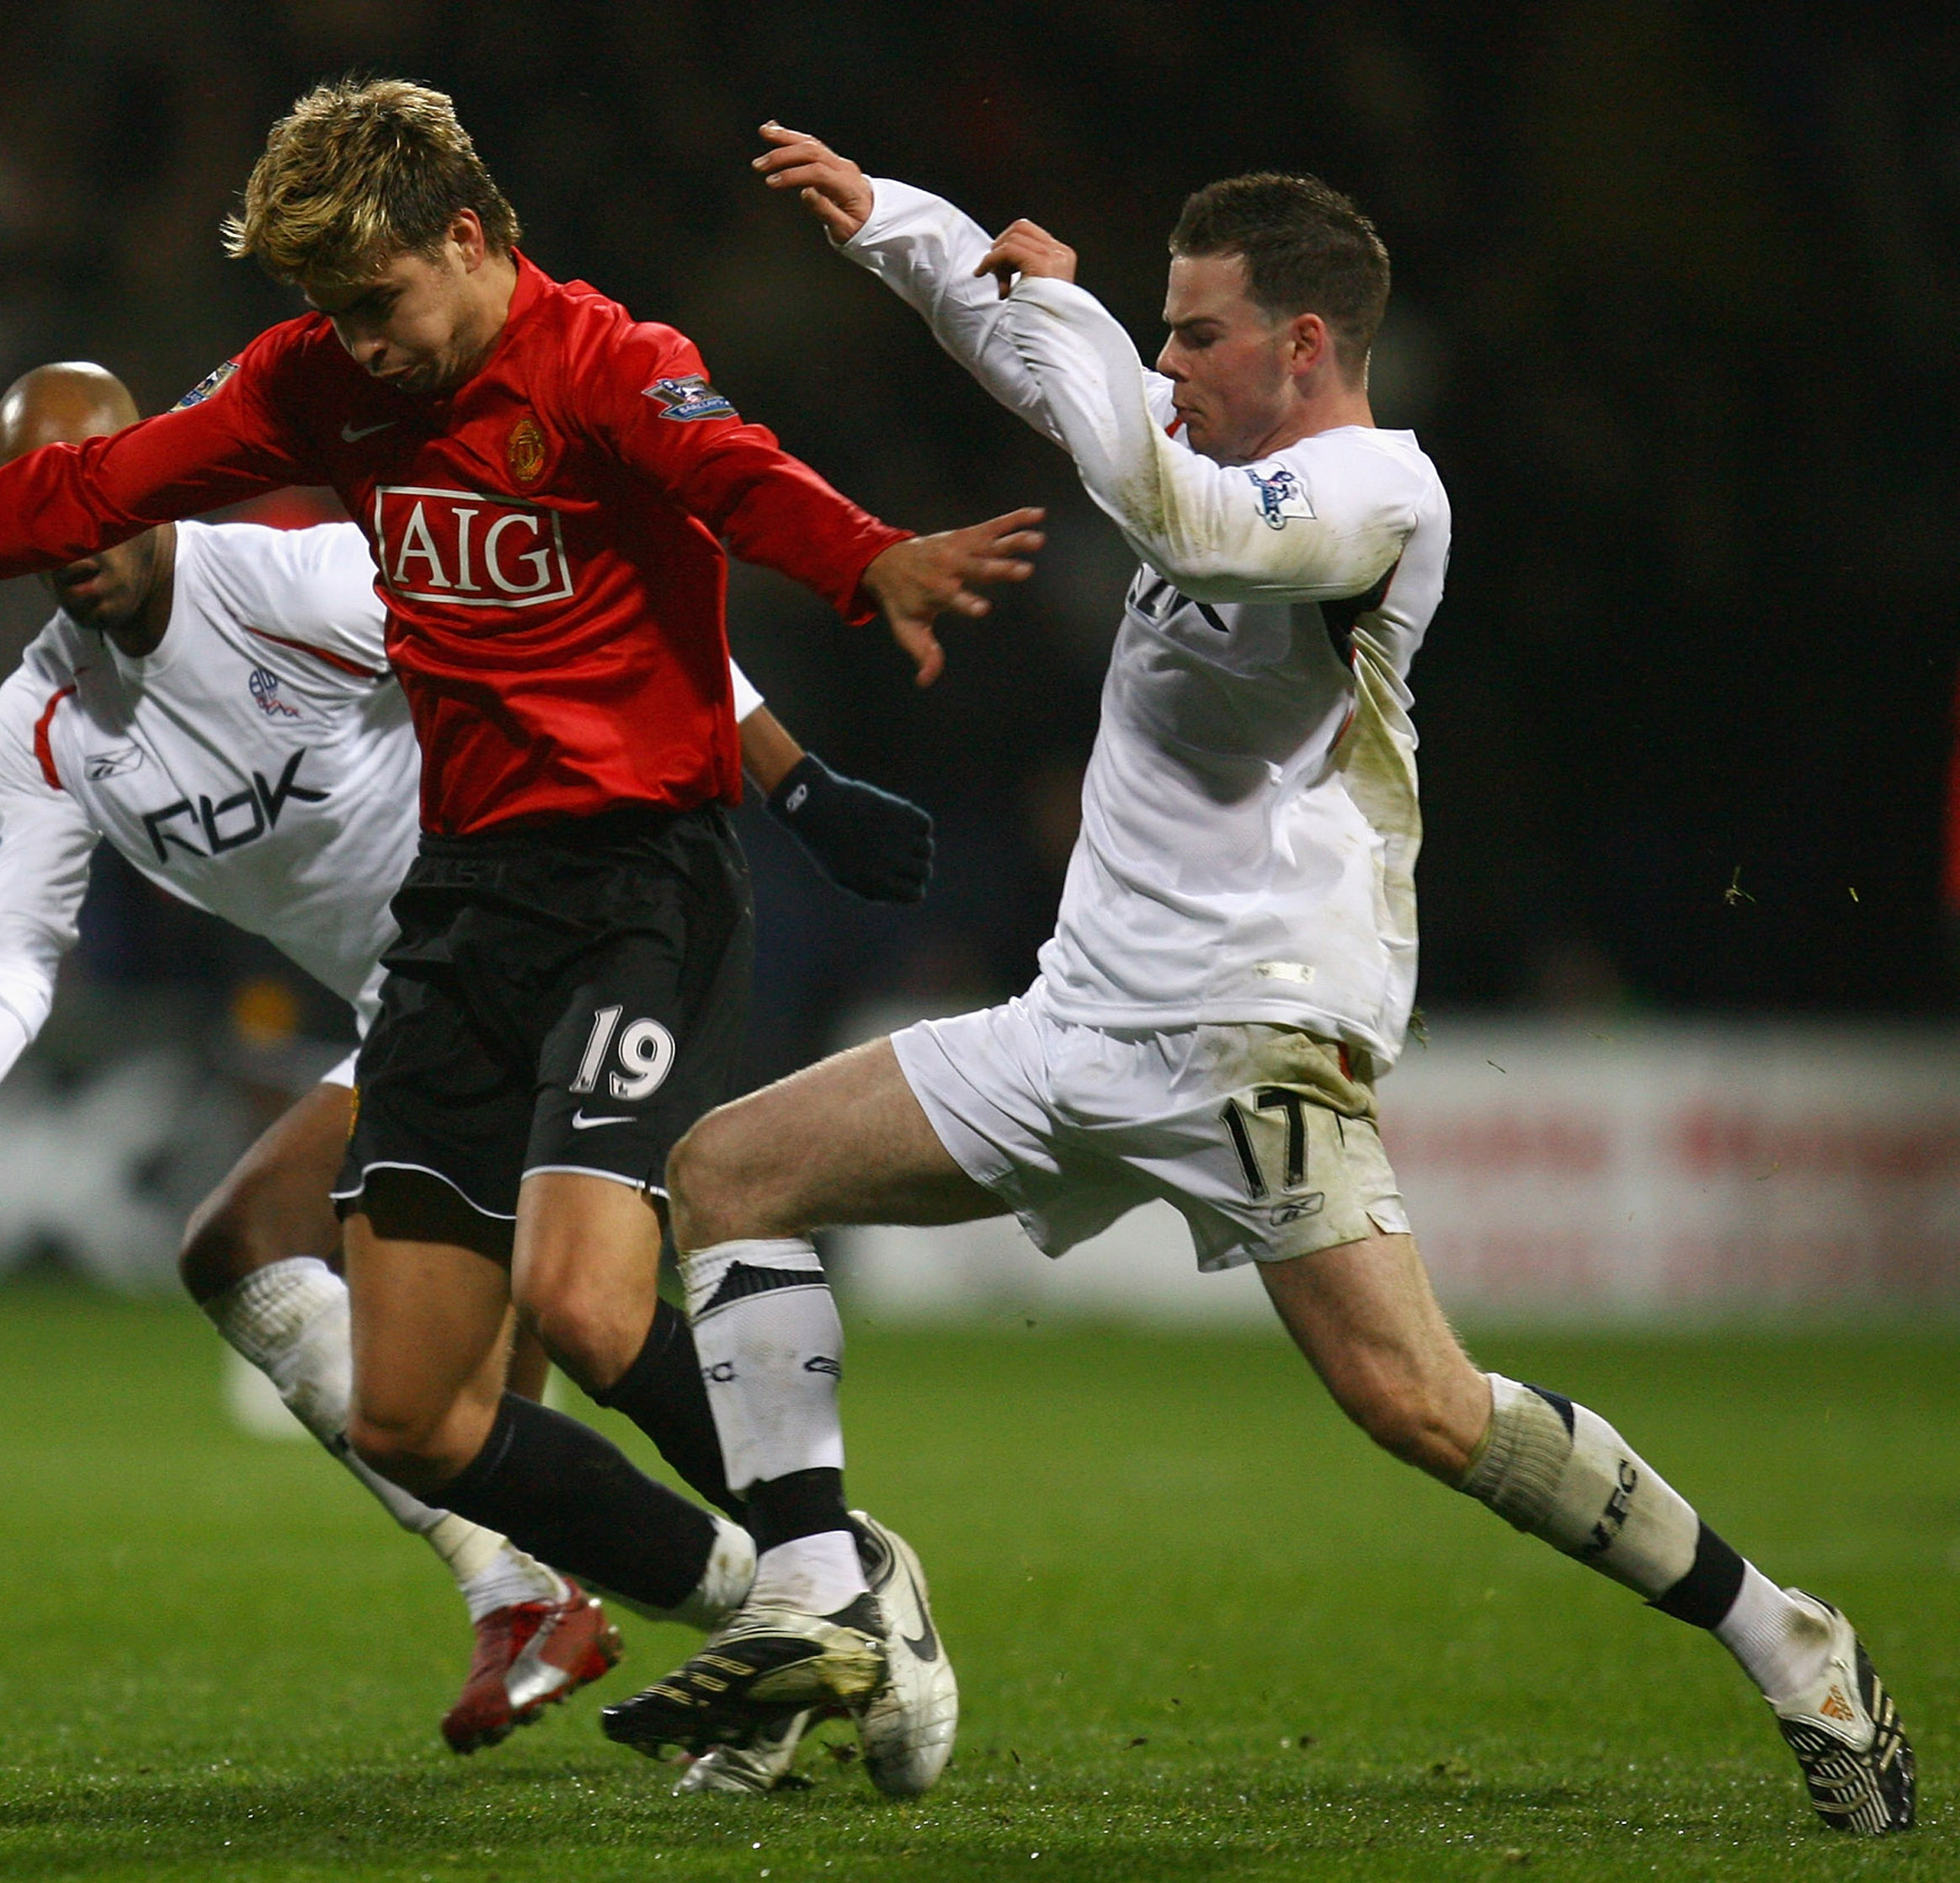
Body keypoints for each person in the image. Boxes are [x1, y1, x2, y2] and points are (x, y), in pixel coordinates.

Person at [0, 80, 1038, 1796]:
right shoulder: (311, 392)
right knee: (407, 1410)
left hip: (641, 870)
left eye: (378, 300)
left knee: (581, 1291)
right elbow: (73, 491)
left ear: (472, 236)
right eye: (328, 312)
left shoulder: (607, 359)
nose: (360, 344)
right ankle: (741, 1591)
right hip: (462, 915)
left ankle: (836, 1566)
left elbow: (731, 474)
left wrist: (865, 576)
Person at [609, 126, 1915, 1839]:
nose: (1166, 360)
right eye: (1156, 328)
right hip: (1074, 1019)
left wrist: (1075, 332)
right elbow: (1032, 345)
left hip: (1252, 1037)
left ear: (1304, 342)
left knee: (1419, 1403)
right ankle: (821, 1595)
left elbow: (1196, 525)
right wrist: (898, 226)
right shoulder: (1191, 424)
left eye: (1195, 332)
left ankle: (1792, 1640)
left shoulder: (1382, 494)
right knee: (726, 1172)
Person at [0, 360, 937, 1756]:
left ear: (153, 476)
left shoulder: (293, 584)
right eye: (34, 512)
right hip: (420, 1008)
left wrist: (793, 777)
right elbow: (12, 946)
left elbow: (588, 622)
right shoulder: (45, 723)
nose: (73, 538)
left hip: (559, 930)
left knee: (561, 1316)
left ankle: (804, 1569)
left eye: (95, 498)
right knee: (333, 1317)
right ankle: (739, 1591)